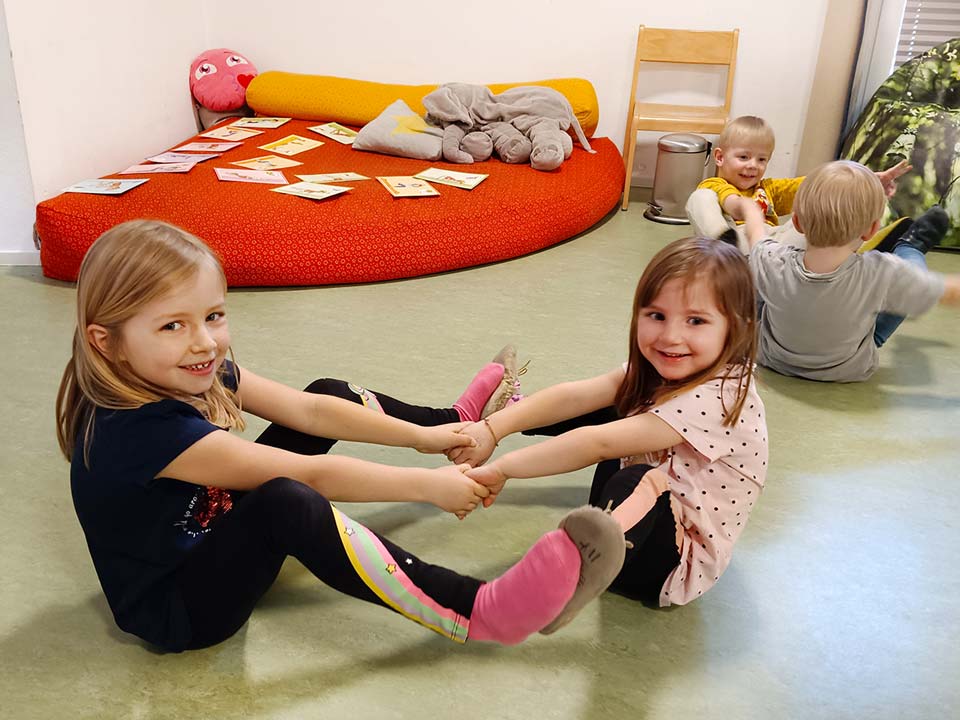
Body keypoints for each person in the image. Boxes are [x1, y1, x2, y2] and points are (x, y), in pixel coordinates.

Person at [55, 219, 626, 652]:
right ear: (106, 341)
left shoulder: (187, 367)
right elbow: (311, 474)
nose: (205, 341)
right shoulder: (132, 432)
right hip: (183, 608)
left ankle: (448, 421)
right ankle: (479, 610)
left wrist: (423, 441)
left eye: (214, 315)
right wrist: (429, 486)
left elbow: (311, 412)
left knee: (330, 392)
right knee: (286, 497)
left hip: (217, 524)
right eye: (173, 325)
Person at [449, 237, 767, 608]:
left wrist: (502, 470)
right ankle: (502, 413)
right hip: (631, 509)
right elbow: (579, 395)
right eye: (656, 316)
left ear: (738, 329)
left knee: (635, 471)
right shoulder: (667, 369)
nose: (670, 336)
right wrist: (494, 429)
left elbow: (596, 444)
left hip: (663, 565)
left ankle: (569, 573)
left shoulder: (720, 396)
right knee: (617, 402)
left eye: (696, 321)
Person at [739, 159, 959, 382]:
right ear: (872, 229)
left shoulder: (774, 260)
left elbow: (755, 235)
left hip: (772, 358)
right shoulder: (878, 273)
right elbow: (947, 291)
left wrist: (751, 210)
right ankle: (911, 245)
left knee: (760, 273)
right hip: (846, 367)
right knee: (908, 283)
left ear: (796, 222)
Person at [685, 115, 910, 252]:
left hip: (772, 247)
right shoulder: (714, 184)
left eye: (761, 159)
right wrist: (747, 209)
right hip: (731, 242)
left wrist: (868, 180)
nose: (753, 165)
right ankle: (722, 243)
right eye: (743, 157)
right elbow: (731, 201)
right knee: (699, 197)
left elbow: (810, 184)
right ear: (720, 157)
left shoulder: (767, 188)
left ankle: (859, 242)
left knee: (814, 215)